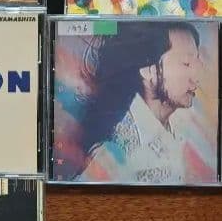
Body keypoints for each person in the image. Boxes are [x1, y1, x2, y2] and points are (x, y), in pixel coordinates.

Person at [79, 22, 203, 183]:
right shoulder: (113, 152)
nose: (196, 78)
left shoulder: (181, 130)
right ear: (148, 70)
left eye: (197, 63)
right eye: (186, 64)